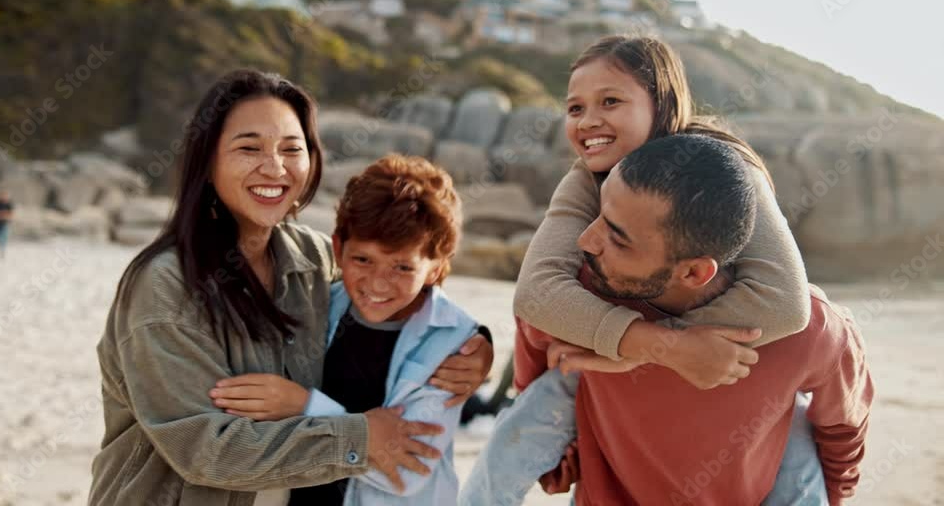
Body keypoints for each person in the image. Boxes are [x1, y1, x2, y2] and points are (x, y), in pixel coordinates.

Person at [88, 70, 493, 506]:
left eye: (291, 149)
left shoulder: (313, 259)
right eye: (249, 148)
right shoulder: (165, 287)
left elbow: (392, 296)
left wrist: (473, 350)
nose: (275, 167)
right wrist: (360, 437)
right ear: (207, 162)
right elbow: (208, 451)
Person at [468, 135, 873, 505]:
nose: (585, 241)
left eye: (618, 238)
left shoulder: (810, 333)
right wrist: (558, 458)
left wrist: (834, 496)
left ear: (695, 272)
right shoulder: (577, 304)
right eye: (598, 213)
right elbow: (536, 379)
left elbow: (840, 428)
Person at [211, 154, 484, 505]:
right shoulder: (318, 304)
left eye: (402, 267)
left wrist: (301, 404)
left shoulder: (452, 343)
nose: (378, 283)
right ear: (338, 249)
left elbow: (405, 470)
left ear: (435, 268)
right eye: (363, 260)